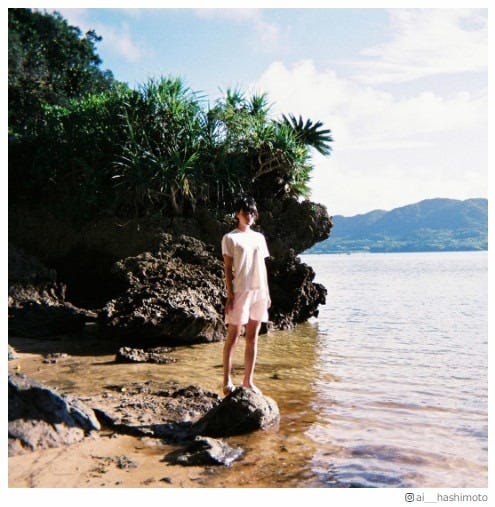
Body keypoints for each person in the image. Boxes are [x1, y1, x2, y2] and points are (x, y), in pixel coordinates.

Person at [221, 196, 271, 396]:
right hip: (241, 290)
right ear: (237, 214)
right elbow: (227, 268)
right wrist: (230, 294)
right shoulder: (230, 238)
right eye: (245, 212)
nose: (249, 216)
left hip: (259, 291)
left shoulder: (259, 238)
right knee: (233, 335)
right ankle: (227, 381)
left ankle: (248, 381)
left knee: (253, 337)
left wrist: (267, 293)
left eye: (252, 212)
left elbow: (263, 266)